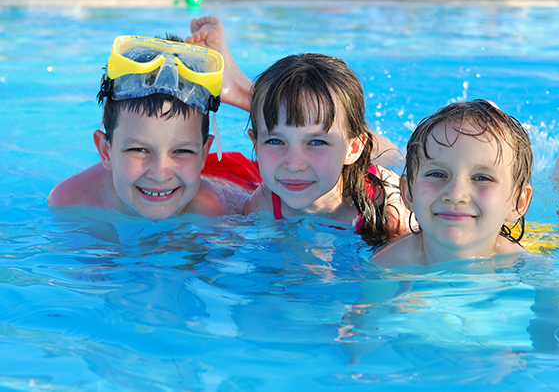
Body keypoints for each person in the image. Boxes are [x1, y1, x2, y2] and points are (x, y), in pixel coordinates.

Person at [187, 17, 410, 246]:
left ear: (352, 149)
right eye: (275, 141)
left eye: (316, 142)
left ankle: (245, 92)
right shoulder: (261, 207)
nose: (294, 164)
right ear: (255, 143)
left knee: (391, 152)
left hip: (371, 168)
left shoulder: (389, 207)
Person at [48, 34, 260, 221]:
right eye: (139, 150)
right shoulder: (70, 202)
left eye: (182, 151)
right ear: (105, 151)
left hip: (237, 175)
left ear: (204, 153)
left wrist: (246, 95)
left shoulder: (218, 213)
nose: (160, 175)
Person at [372, 99, 534, 265]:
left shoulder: (533, 271)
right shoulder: (384, 267)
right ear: (408, 193)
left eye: (482, 178)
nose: (455, 195)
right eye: (437, 174)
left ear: (518, 201)